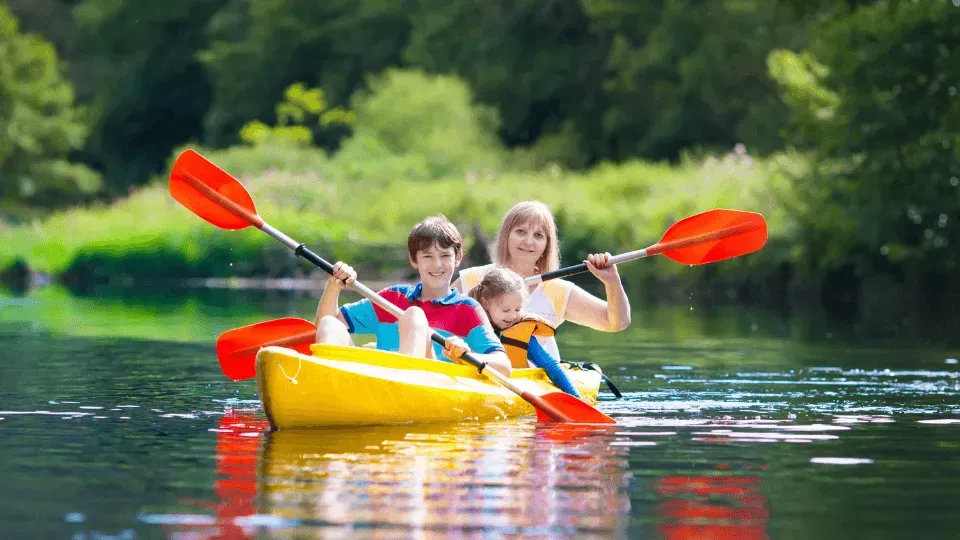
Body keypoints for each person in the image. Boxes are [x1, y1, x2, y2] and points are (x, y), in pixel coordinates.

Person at [314, 215, 512, 376]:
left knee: (414, 316)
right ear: (414, 260)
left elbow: (504, 366)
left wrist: (467, 354)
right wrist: (334, 286)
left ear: (458, 257)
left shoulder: (468, 310)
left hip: (427, 387)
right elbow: (326, 326)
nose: (437, 265)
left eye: (445, 256)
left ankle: (402, 381)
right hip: (376, 386)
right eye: (427, 256)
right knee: (329, 324)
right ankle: (329, 387)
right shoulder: (392, 298)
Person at [454, 200, 631, 360]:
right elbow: (432, 315)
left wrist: (612, 282)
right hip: (479, 372)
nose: (529, 241)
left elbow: (617, 322)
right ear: (506, 236)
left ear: (547, 245)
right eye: (521, 232)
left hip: (537, 380)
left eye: (538, 235)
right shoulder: (473, 279)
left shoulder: (558, 291)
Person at [468, 265, 583, 398]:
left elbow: (550, 366)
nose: (512, 316)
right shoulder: (470, 326)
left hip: (513, 387)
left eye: (517, 310)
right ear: (485, 303)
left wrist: (576, 398)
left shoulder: (521, 332)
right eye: (505, 310)